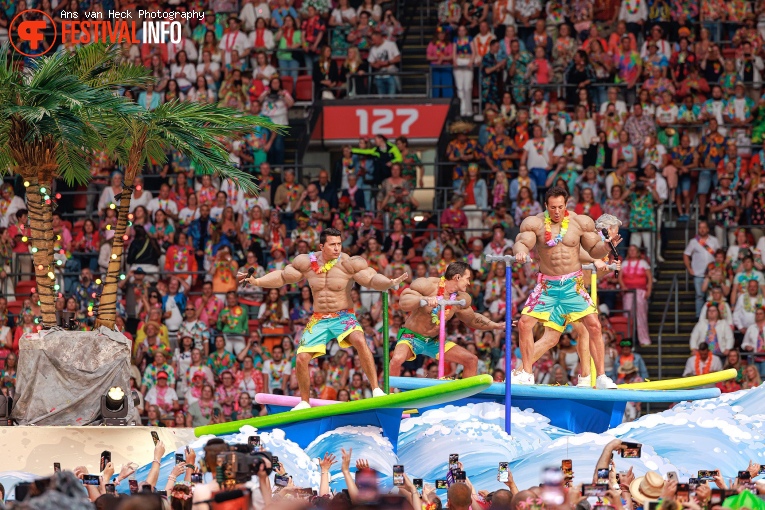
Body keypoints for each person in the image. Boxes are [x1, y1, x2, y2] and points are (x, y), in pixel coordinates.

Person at [241, 228, 407, 410]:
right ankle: (304, 401)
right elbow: (282, 277)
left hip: (343, 315)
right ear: (321, 246)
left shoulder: (348, 263)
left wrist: (389, 283)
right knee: (302, 358)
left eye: (339, 244)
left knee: (360, 339)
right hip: (319, 318)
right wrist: (257, 282)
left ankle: (376, 389)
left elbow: (371, 278)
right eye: (332, 244)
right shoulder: (306, 262)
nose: (337, 248)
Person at [512, 187, 620, 388]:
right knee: (525, 324)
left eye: (560, 207)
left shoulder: (580, 222)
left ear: (566, 204)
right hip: (547, 286)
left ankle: (600, 377)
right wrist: (520, 252)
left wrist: (606, 248)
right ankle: (526, 372)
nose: (556, 212)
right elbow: (521, 242)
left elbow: (594, 250)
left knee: (593, 326)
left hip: (573, 285)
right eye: (552, 207)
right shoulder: (534, 223)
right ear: (546, 206)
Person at [390, 261, 505, 377]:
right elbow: (403, 302)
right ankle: (388, 394)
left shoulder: (460, 299)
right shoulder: (428, 285)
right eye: (467, 278)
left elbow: (472, 319)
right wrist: (424, 299)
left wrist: (495, 325)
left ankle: (465, 395)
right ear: (457, 277)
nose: (469, 283)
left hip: (434, 341)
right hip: (412, 337)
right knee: (397, 359)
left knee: (471, 360)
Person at [684, 221, 720, 318]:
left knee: (712, 297)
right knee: (699, 296)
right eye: (700, 227)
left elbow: (719, 255)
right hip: (699, 274)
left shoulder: (714, 240)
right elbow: (686, 255)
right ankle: (699, 317)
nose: (702, 229)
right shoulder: (693, 241)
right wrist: (689, 268)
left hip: (712, 274)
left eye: (704, 227)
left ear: (708, 229)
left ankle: (712, 317)